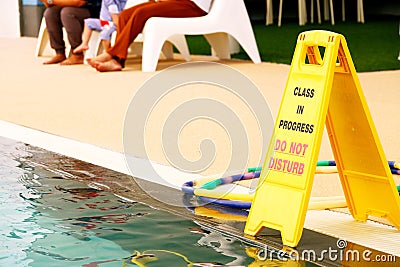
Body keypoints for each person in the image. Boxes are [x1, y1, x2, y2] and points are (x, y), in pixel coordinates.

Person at [88, 0, 212, 72]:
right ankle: (118, 60)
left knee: (141, 13)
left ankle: (113, 55)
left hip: (193, 4)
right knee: (125, 15)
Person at [40, 0, 101, 65]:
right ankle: (59, 53)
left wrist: (51, 1)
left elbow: (79, 2)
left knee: (67, 13)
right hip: (70, 8)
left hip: (91, 10)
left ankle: (77, 54)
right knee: (50, 13)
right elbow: (49, 4)